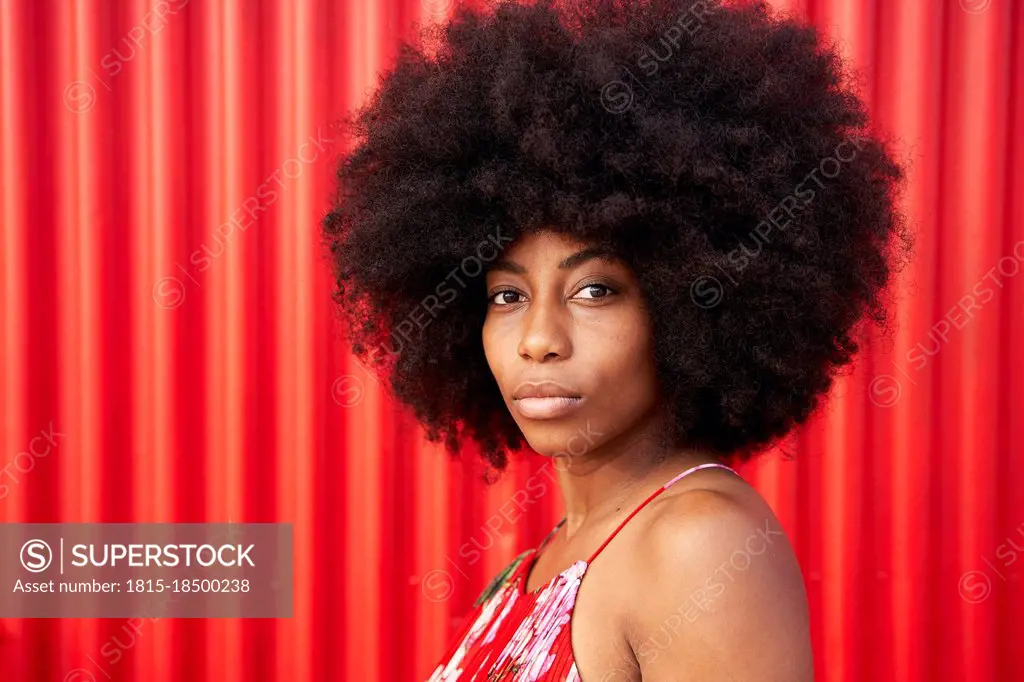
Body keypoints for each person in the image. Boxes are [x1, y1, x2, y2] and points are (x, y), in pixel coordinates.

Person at [321, 0, 909, 679]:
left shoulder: (698, 543)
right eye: (508, 296)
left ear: (687, 304)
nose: (538, 339)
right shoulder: (538, 564)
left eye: (595, 290)